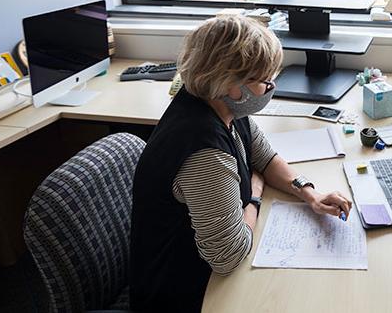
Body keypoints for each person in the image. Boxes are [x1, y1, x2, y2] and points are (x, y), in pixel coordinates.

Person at [129, 16, 352, 313]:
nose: (271, 86)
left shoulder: (223, 107)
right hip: (182, 293)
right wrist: (255, 195)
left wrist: (310, 193)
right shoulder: (204, 152)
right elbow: (228, 256)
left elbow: (266, 158)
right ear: (229, 82)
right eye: (263, 80)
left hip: (199, 271)